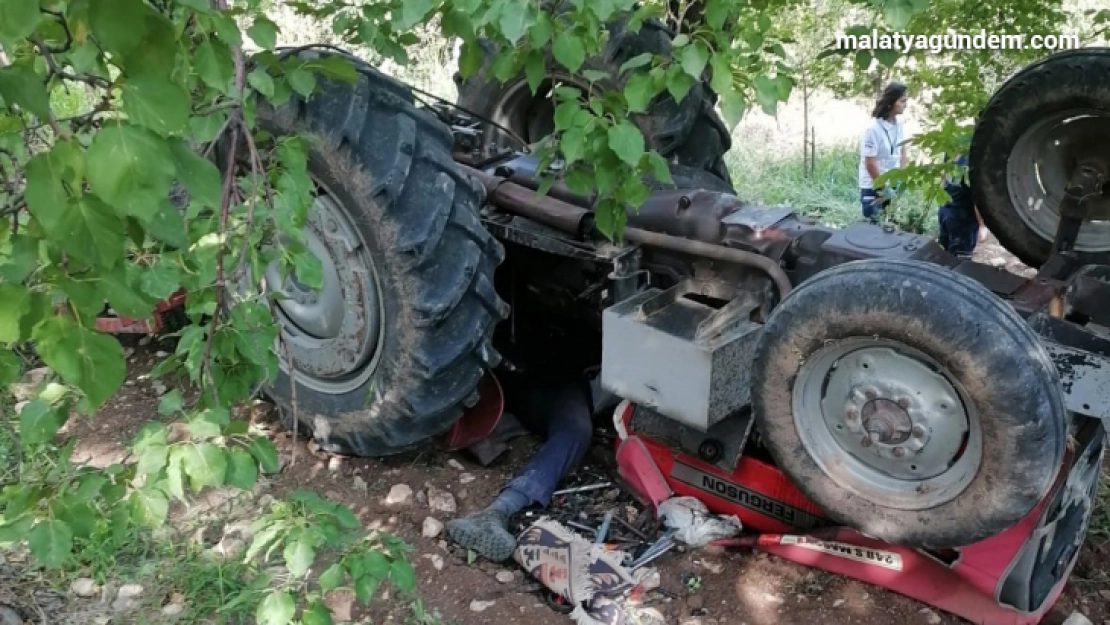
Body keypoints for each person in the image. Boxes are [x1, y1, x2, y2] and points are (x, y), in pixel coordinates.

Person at [446, 352, 600, 562]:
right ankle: (499, 510)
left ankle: (497, 512)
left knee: (574, 429)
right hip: (546, 376)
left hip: (506, 371)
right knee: (575, 431)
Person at [859, 81, 910, 222]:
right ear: (891, 103)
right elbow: (870, 163)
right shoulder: (873, 129)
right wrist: (884, 187)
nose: (905, 104)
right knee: (874, 229)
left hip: (892, 184)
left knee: (889, 228)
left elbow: (902, 150)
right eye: (902, 101)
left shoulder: (899, 124)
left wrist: (901, 176)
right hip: (873, 186)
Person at [937, 154, 988, 258]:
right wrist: (982, 225)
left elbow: (943, 180)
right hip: (963, 219)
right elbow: (977, 195)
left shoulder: (951, 150)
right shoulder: (973, 156)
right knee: (960, 262)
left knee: (942, 256)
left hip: (946, 211)